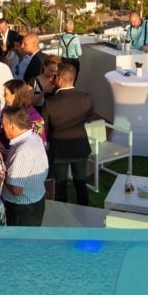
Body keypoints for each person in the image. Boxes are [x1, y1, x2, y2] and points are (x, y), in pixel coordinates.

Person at [42, 62, 94, 206]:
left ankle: (63, 214)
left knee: (61, 185)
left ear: (59, 79)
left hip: (59, 149)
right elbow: (89, 117)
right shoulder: (85, 97)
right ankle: (84, 211)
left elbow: (44, 129)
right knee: (81, 182)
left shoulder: (50, 102)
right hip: (79, 145)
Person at [0, 106, 48, 226]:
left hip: (22, 210)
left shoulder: (22, 151)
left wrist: (2, 170)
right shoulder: (34, 137)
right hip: (36, 201)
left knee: (19, 243)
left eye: (3, 124)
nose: (1, 127)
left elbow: (16, 190)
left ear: (12, 126)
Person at [0, 79, 45, 152]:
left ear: (15, 95)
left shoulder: (33, 116)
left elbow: (40, 142)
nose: (3, 96)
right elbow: (0, 131)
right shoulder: (5, 111)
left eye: (6, 94)